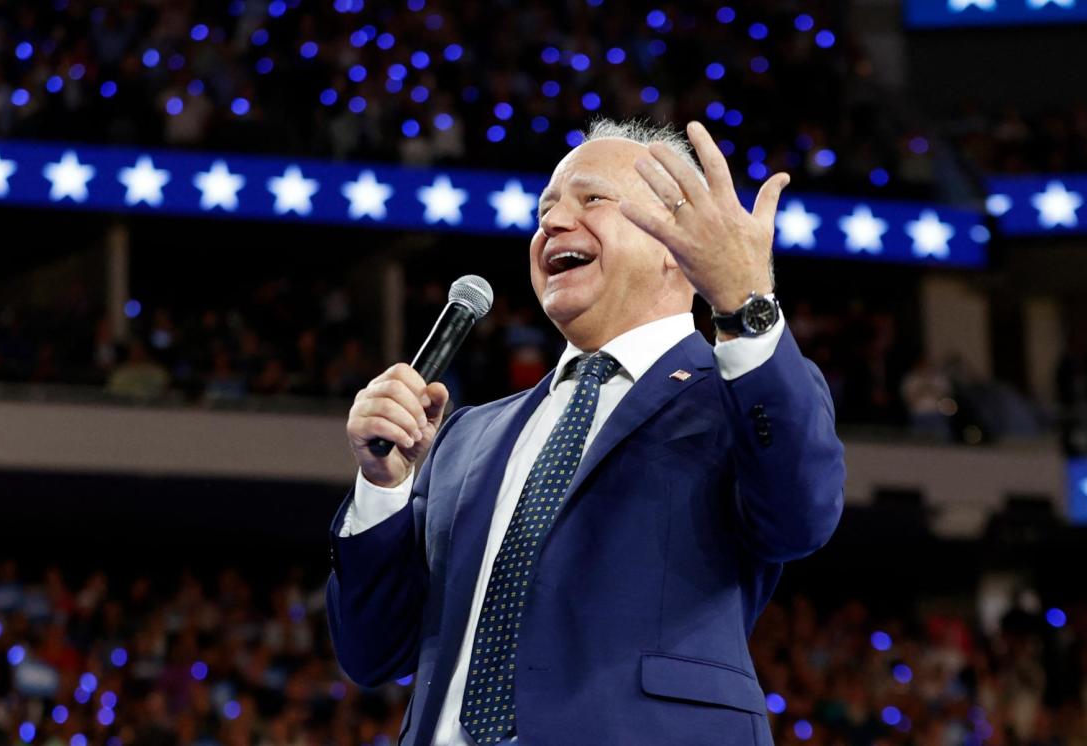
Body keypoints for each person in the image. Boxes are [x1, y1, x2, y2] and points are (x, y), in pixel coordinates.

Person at [327, 119, 846, 745]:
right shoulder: (467, 437)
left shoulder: (742, 392)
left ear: (673, 241)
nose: (553, 222)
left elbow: (801, 516)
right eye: (545, 209)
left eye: (591, 198)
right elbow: (372, 654)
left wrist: (748, 307)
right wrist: (382, 488)